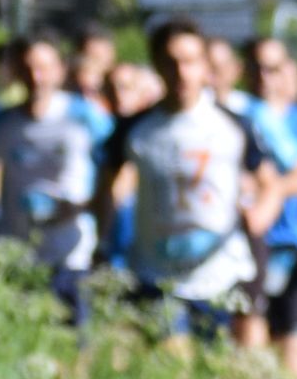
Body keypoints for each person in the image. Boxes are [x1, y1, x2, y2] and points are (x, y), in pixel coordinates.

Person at [97, 17, 273, 340]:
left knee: (221, 365)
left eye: (190, 61)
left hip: (222, 274)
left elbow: (271, 183)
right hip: (156, 275)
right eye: (171, 62)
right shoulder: (134, 129)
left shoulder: (235, 126)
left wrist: (261, 212)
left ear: (205, 66)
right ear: (156, 65)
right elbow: (106, 183)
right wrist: (103, 239)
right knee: (173, 363)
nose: (181, 72)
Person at [235, 34, 297, 375]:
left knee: (295, 361)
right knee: (250, 363)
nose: (265, 78)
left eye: (273, 69)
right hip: (245, 252)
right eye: (257, 68)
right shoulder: (232, 119)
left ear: (287, 70)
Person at [0, 33, 103, 320]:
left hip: (71, 254)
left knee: (75, 338)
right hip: (19, 252)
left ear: (60, 70)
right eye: (27, 68)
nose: (36, 77)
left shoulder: (87, 117)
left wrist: (85, 208)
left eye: (43, 68)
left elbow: (117, 174)